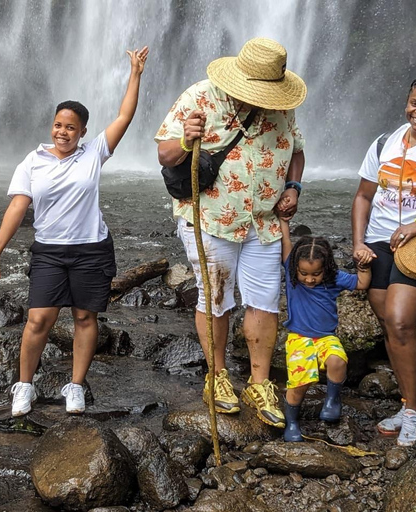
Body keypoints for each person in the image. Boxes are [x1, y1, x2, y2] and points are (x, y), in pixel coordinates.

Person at [0, 46, 149, 417]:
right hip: (50, 251)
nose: (63, 131)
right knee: (38, 318)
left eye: (71, 127)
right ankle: (24, 386)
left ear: (82, 131)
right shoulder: (32, 161)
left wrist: (135, 73)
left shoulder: (94, 153)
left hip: (91, 249)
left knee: (85, 318)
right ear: (51, 126)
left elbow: (125, 115)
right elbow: (17, 207)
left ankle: (75, 387)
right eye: (58, 125)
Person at [154, 37, 307, 428]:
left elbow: (297, 151)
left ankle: (259, 384)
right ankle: (218, 376)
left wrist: (293, 188)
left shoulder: (282, 108)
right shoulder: (200, 97)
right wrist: (187, 137)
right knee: (216, 295)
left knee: (265, 301)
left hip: (263, 220)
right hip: (212, 217)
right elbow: (166, 155)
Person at [351, 74, 416, 447]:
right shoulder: (385, 142)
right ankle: (409, 402)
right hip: (378, 245)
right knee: (390, 326)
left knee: (401, 322)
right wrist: (358, 243)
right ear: (406, 102)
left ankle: (415, 413)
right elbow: (363, 197)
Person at [278, 217, 371, 441]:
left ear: (326, 269)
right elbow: (286, 243)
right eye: (304, 273)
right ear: (295, 269)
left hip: (326, 338)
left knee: (338, 359)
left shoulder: (334, 279)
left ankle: (332, 400)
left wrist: (364, 266)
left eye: (316, 274)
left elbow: (361, 283)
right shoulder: (292, 276)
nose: (309, 279)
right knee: (301, 382)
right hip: (298, 338)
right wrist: (283, 222)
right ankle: (291, 422)